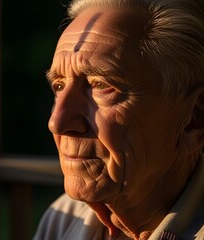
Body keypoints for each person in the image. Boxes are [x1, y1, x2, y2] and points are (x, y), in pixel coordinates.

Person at [34, 0, 204, 239]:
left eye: (100, 86)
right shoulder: (64, 216)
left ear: (193, 120)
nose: (57, 122)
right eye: (59, 86)